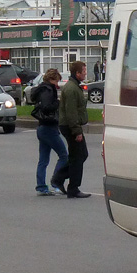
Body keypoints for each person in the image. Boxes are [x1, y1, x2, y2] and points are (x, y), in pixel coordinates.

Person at [57, 60, 92, 198]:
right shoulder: (71, 88)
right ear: (77, 73)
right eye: (83, 71)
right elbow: (71, 112)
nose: (85, 73)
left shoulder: (74, 86)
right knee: (78, 156)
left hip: (71, 125)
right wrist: (76, 131)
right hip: (70, 126)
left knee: (80, 155)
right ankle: (73, 187)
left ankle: (59, 178)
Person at [32, 68, 69, 197]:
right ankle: (56, 183)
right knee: (64, 155)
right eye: (56, 81)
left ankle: (41, 186)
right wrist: (57, 103)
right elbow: (47, 107)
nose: (57, 85)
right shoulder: (48, 90)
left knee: (43, 159)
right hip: (49, 128)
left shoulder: (41, 89)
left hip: (42, 127)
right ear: (51, 80)